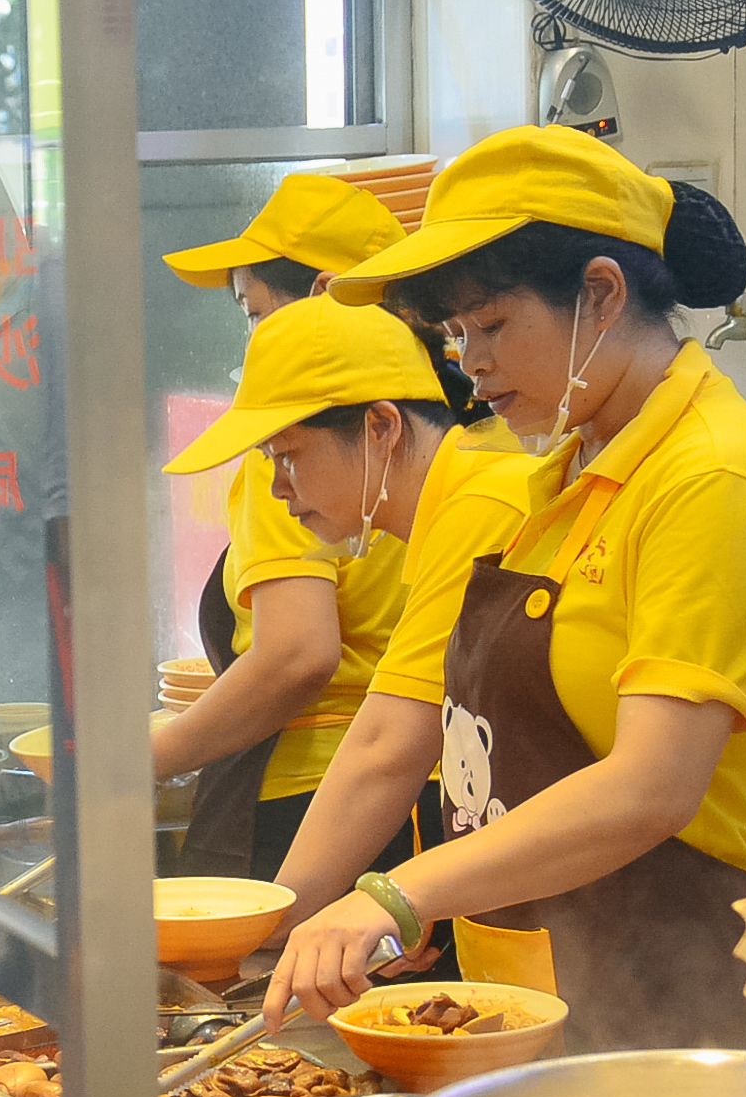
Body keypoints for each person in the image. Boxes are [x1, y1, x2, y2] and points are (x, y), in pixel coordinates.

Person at [268, 125, 746, 1054]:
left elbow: (652, 785)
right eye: (456, 336)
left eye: (491, 326)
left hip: (684, 1004)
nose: (471, 366)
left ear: (601, 295)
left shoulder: (714, 476)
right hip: (538, 999)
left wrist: (402, 890)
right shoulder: (556, 478)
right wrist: (428, 907)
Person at [159, 296, 536, 939]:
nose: (278, 488)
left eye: (288, 455)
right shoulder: (455, 508)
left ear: (380, 427)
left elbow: (390, 745)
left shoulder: (482, 506)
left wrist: (262, 929)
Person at [152, 174, 416, 881]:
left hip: (307, 796)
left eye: (254, 313)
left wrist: (145, 763)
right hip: (424, 791)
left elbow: (297, 655)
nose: (279, 476)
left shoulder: (304, 452)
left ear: (325, 296)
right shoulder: (453, 433)